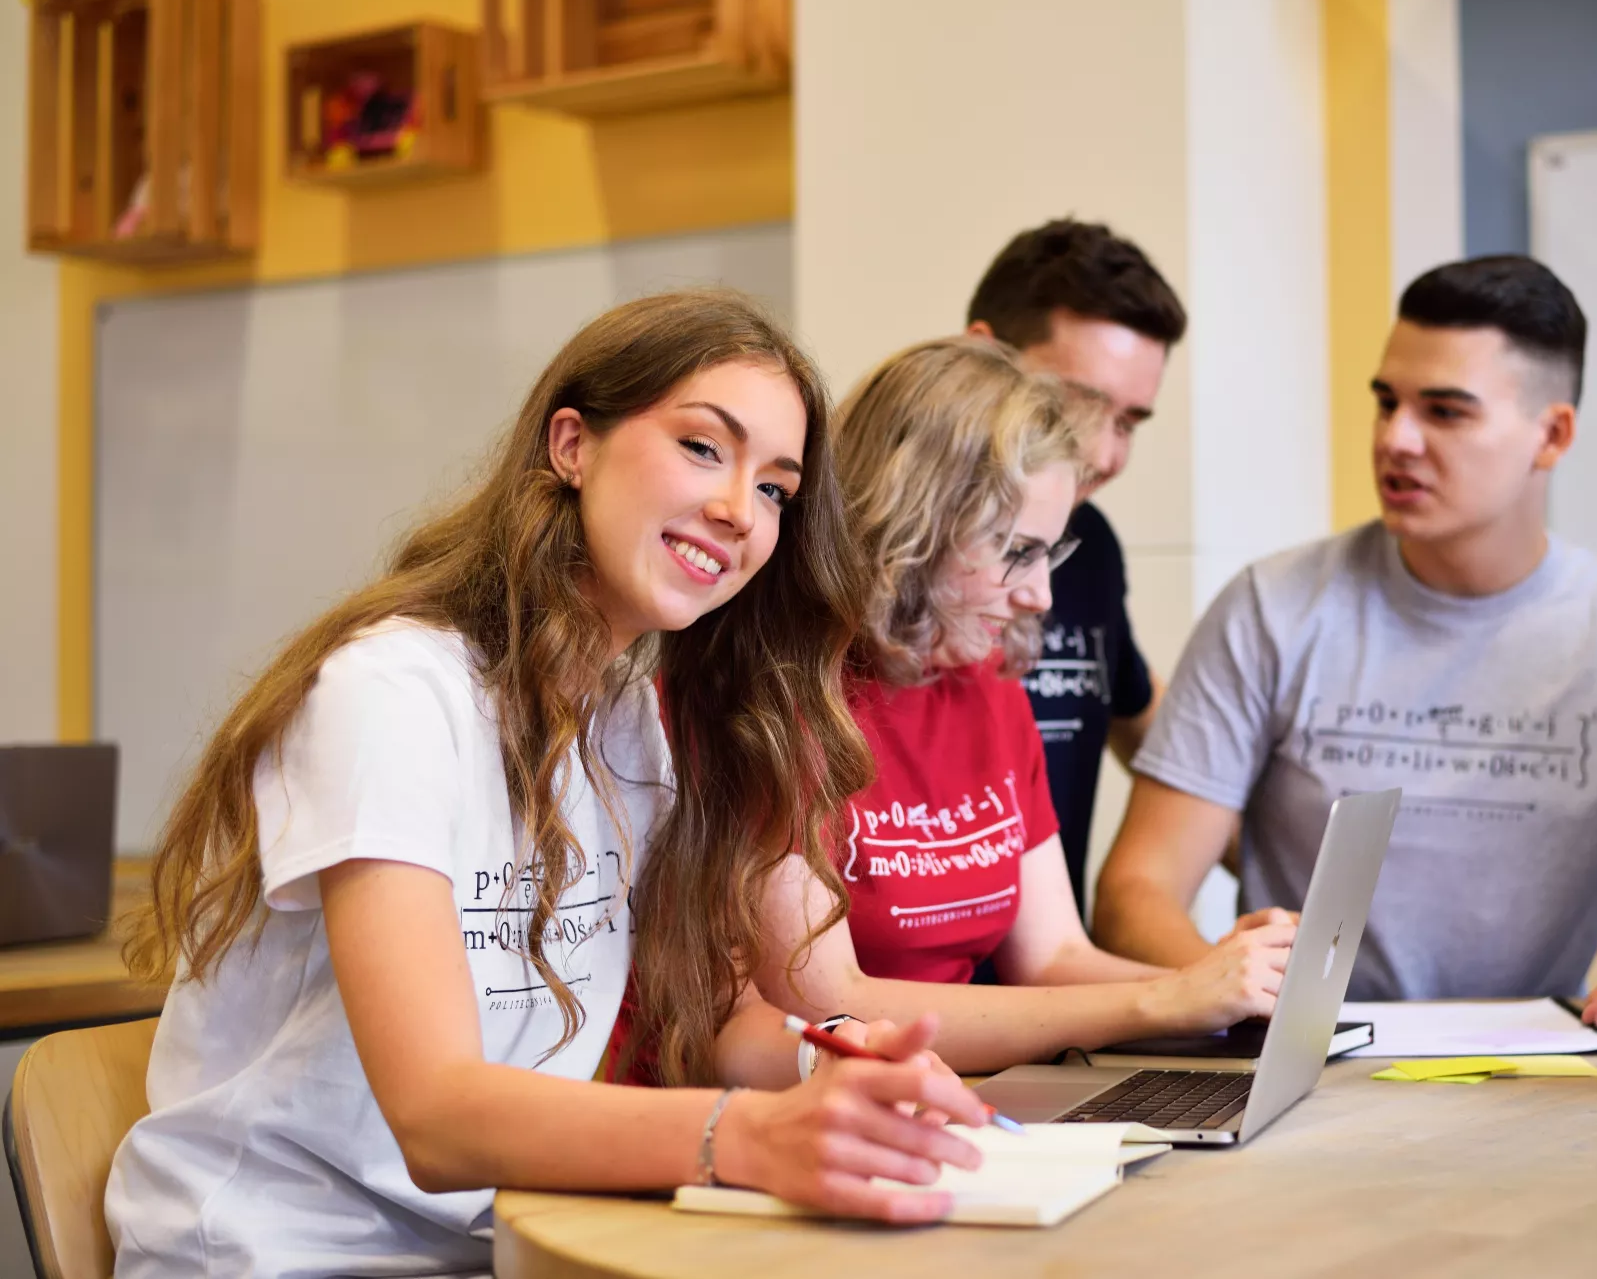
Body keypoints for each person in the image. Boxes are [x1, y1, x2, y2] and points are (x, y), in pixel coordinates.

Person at [103, 291, 992, 1276]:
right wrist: (747, 1135)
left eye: (776, 488)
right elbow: (436, 1117)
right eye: (703, 447)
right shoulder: (394, 693)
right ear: (572, 444)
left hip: (499, 1249)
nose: (740, 510)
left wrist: (832, 1065)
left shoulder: (626, 722)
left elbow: (706, 1031)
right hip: (270, 1257)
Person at [1093, 256, 1597, 1045]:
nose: (1396, 439)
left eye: (1445, 412)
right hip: (1316, 1065)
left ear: (1551, 435)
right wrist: (1241, 996)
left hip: (1550, 1077)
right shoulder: (1271, 606)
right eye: (1387, 403)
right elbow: (1135, 892)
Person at [612, 337, 1290, 1080]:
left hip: (941, 1094)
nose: (1040, 595)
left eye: (1048, 554)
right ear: (910, 530)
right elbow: (828, 1001)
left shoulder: (988, 684)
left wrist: (1229, 993)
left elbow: (1053, 955)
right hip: (776, 1112)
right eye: (1014, 551)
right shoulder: (764, 696)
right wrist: (1162, 1001)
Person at [965, 220, 1186, 913]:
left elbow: (1145, 717)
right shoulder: (842, 556)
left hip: (1060, 993)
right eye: (1072, 402)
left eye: (1127, 422)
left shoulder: (1090, 543)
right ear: (980, 355)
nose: (1100, 452)